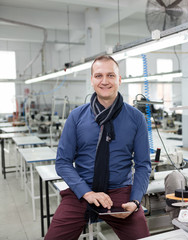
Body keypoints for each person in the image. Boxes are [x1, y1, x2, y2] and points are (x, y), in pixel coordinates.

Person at [45, 55, 151, 240]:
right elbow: (62, 163)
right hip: (81, 191)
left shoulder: (136, 118)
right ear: (92, 80)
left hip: (120, 193)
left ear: (119, 80)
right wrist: (86, 192)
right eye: (98, 75)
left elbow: (143, 165)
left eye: (110, 75)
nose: (104, 81)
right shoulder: (76, 117)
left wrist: (135, 201)